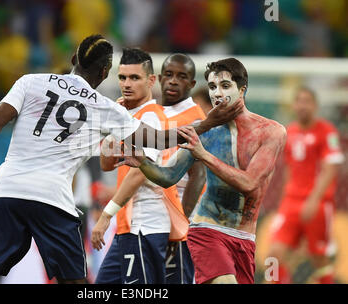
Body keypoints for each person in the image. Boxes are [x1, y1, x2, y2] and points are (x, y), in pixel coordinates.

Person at [0, 35, 242, 284]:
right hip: (52, 200)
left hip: (5, 193)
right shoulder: (107, 108)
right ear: (106, 71)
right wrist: (207, 123)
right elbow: (160, 139)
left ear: (73, 60)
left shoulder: (30, 82)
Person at [118, 58, 287, 284]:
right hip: (207, 230)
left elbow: (249, 183)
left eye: (225, 86)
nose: (217, 93)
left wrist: (203, 154)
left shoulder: (271, 132)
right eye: (212, 87)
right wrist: (143, 162)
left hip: (245, 238)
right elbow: (168, 177)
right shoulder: (204, 131)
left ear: (242, 89)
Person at [92, 48, 204, 284]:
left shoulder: (151, 118)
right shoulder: (128, 117)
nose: (127, 84)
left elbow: (138, 174)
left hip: (148, 223)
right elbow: (106, 164)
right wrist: (114, 121)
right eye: (122, 78)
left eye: (135, 78)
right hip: (128, 223)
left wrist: (105, 215)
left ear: (151, 81)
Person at [267, 87, 344, 284]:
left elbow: (330, 169)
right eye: (299, 101)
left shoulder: (326, 131)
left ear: (315, 106)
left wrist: (314, 200)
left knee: (319, 258)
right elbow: (290, 169)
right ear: (293, 105)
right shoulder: (290, 131)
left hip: (317, 204)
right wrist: (284, 199)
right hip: (291, 202)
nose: (302, 105)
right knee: (273, 254)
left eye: (307, 101)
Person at [158, 53, 207, 284]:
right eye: (169, 75)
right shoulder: (153, 113)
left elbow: (198, 175)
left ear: (192, 84)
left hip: (179, 219)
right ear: (159, 78)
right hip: (152, 217)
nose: (173, 81)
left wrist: (181, 223)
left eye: (181, 76)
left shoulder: (196, 118)